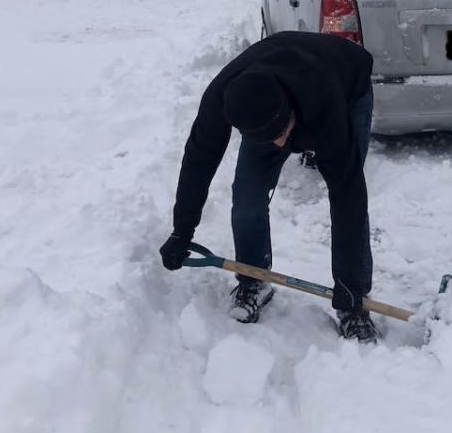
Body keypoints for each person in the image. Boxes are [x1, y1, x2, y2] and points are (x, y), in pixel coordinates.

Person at [159, 31, 378, 342]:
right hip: (274, 97)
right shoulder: (223, 99)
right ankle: (254, 279)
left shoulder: (325, 103)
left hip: (346, 83)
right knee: (247, 197)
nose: (280, 143)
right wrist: (182, 230)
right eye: (269, 137)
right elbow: (198, 161)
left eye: (283, 132)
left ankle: (354, 305)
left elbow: (348, 194)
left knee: (347, 185)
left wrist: (350, 284)